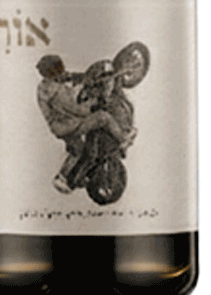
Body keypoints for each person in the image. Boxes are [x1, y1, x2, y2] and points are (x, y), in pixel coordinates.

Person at [36, 55, 137, 194]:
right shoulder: (58, 93)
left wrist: (79, 77)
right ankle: (123, 139)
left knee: (77, 150)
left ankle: (63, 177)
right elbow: (78, 110)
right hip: (69, 125)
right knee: (103, 117)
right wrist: (95, 103)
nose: (63, 71)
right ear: (54, 72)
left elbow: (66, 79)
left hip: (59, 125)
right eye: (60, 69)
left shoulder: (44, 86)